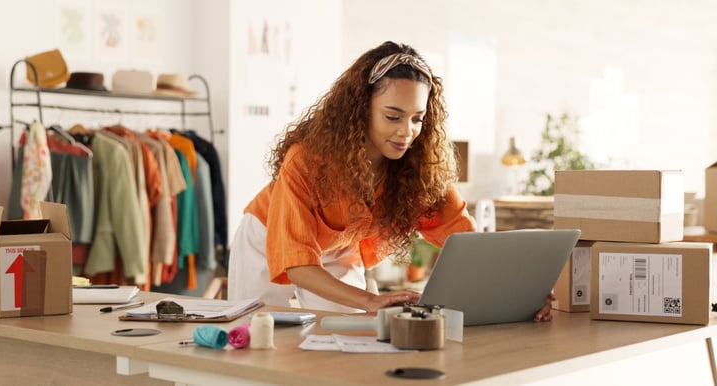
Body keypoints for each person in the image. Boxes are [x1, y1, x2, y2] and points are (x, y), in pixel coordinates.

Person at [228, 41, 555, 321]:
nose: (406, 132)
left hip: (339, 250)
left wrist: (523, 291)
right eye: (392, 116)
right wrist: (370, 300)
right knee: (257, 331)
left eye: (417, 119)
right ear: (360, 109)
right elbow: (297, 264)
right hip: (266, 236)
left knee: (348, 342)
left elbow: (468, 242)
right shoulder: (307, 160)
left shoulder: (421, 170)